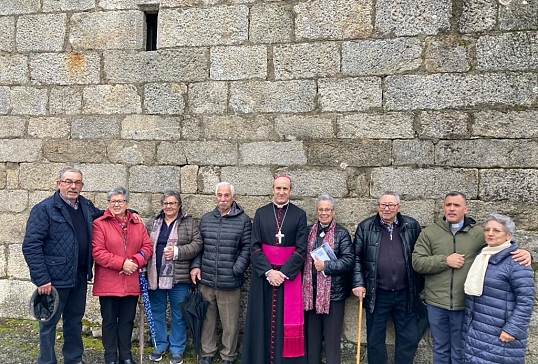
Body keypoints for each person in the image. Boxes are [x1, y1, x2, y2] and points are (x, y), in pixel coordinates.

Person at [412, 191, 531, 364]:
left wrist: (525, 252)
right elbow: (417, 262)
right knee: (440, 348)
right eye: (448, 205)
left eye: (457, 205)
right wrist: (444, 261)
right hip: (437, 303)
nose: (452, 209)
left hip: (465, 306)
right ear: (443, 208)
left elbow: (501, 246)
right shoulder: (430, 233)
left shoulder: (478, 233)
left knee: (462, 350)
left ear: (465, 208)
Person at [22, 167, 103, 364]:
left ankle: (74, 359)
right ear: (59, 184)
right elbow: (31, 245)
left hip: (79, 275)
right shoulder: (45, 209)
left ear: (82, 186)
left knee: (74, 321)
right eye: (68, 181)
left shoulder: (85, 205)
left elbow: (102, 215)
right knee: (48, 323)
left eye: (77, 183)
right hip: (53, 279)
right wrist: (41, 278)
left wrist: (126, 213)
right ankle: (47, 361)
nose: (73, 186)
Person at [241, 174, 308, 364]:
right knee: (262, 319)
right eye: (278, 188)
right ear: (272, 189)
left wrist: (283, 273)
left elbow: (302, 248)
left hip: (288, 278)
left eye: (285, 189)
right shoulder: (261, 213)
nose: (281, 192)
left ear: (290, 191)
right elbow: (253, 247)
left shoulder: (299, 214)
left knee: (284, 321)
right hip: (264, 277)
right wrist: (269, 272)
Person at [351, 192, 423, 364]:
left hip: (405, 293)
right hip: (377, 293)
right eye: (383, 205)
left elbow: (420, 255)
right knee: (375, 339)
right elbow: (356, 258)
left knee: (408, 338)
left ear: (398, 207)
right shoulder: (365, 227)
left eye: (390, 205)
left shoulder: (412, 226)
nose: (386, 209)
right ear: (378, 206)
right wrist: (358, 283)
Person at [190, 182, 252, 364]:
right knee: (207, 320)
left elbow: (247, 248)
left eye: (226, 195)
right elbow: (199, 246)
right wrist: (196, 266)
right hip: (206, 279)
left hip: (229, 281)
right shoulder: (207, 218)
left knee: (230, 323)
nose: (223, 199)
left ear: (233, 197)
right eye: (219, 195)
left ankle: (228, 355)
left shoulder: (243, 220)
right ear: (215, 197)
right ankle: (207, 352)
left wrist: (237, 269)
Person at [92, 187, 153, 364]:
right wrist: (122, 263)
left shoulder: (137, 223)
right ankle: (110, 357)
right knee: (109, 321)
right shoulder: (99, 224)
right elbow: (98, 252)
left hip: (131, 281)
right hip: (108, 282)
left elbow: (147, 247)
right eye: (113, 201)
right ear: (108, 204)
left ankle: (126, 356)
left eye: (120, 201)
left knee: (127, 321)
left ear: (127, 203)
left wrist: (134, 261)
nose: (116, 204)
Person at [461, 214, 534, 364]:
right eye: (487, 229)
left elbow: (526, 301)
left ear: (508, 235)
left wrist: (512, 329)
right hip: (478, 330)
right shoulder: (482, 256)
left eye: (496, 230)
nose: (490, 233)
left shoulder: (517, 261)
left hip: (500, 332)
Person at [147, 190, 203, 364]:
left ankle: (177, 349)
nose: (168, 206)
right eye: (165, 203)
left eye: (172, 203)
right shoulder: (153, 222)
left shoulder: (188, 223)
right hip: (154, 275)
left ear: (179, 205)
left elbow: (198, 244)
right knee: (157, 312)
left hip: (178, 277)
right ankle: (160, 344)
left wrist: (178, 251)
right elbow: (144, 244)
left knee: (179, 314)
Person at [303, 194, 354, 364]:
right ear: (316, 211)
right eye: (320, 209)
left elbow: (348, 261)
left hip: (334, 296)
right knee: (312, 340)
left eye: (327, 209)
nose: (324, 213)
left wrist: (327, 266)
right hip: (311, 295)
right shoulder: (308, 231)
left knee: (332, 341)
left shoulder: (342, 233)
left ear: (333, 211)